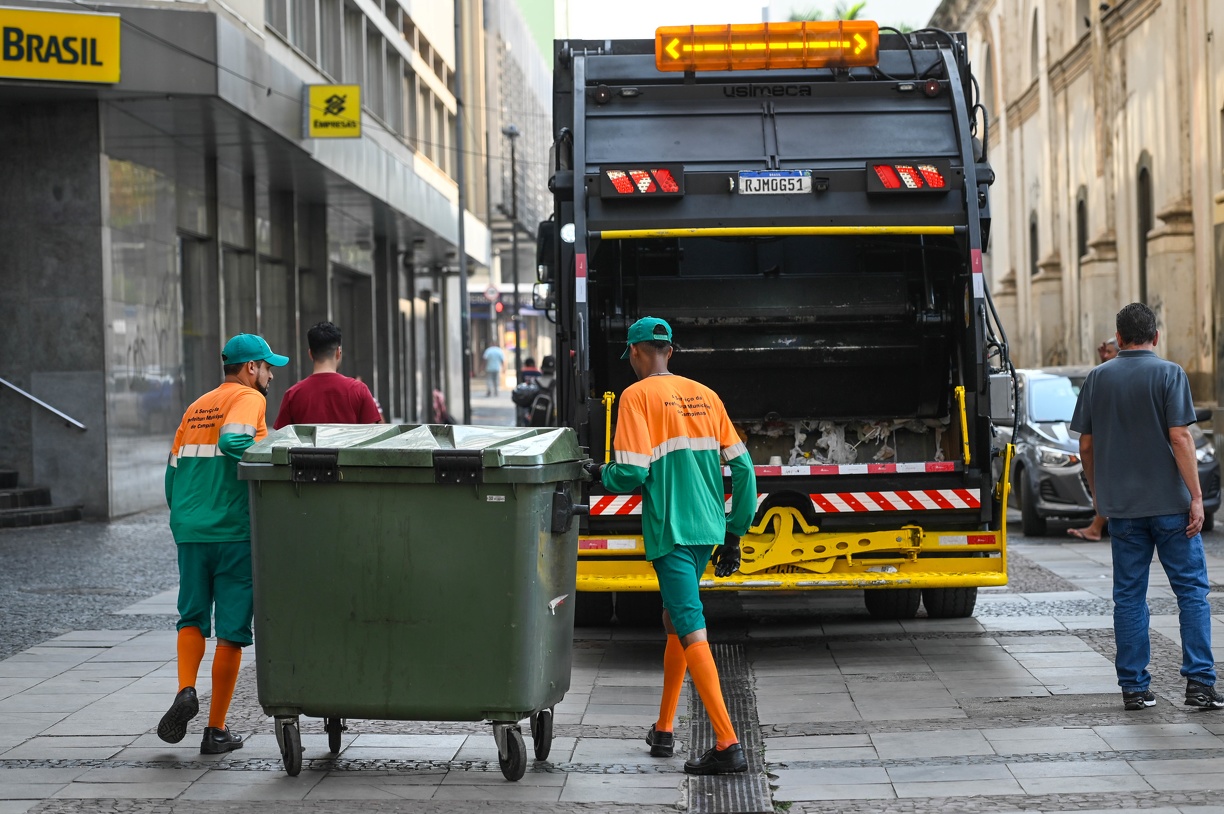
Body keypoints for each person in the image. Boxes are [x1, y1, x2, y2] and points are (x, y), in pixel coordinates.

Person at [584, 317, 757, 774]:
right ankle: (663, 729)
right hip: (708, 528)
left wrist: (598, 473)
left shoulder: (635, 396)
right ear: (670, 352)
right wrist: (735, 532)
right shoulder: (706, 395)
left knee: (689, 623)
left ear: (636, 352)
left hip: (672, 529)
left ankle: (727, 744)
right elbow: (744, 469)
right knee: (674, 619)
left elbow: (631, 472)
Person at [1071, 303, 1223, 711]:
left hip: (1123, 509)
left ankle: (1135, 688)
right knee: (1191, 592)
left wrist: (1098, 493)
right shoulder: (1170, 373)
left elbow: (1085, 444)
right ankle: (1199, 684)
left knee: (1129, 596)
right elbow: (1181, 437)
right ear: (1156, 336)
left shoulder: (1097, 378)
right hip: (1172, 505)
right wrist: (1196, 497)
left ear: (1119, 338)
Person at [160, 333, 289, 753]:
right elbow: (233, 441)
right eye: (267, 367)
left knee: (191, 616)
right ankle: (216, 730)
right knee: (231, 630)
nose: (270, 375)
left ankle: (186, 689)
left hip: (191, 529)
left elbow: (172, 473)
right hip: (233, 530)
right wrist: (271, 454)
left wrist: (185, 516)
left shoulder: (197, 406)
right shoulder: (249, 398)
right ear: (251, 367)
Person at [273, 322, 383, 428]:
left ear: (310, 354)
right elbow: (372, 434)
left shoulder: (293, 395)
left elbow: (283, 436)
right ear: (338, 352)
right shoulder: (359, 390)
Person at [1068, 336, 1120, 541]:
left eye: (1109, 352)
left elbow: (1086, 445)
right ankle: (1096, 527)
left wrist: (1095, 491)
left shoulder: (1103, 378)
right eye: (1104, 353)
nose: (1105, 356)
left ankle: (1096, 528)